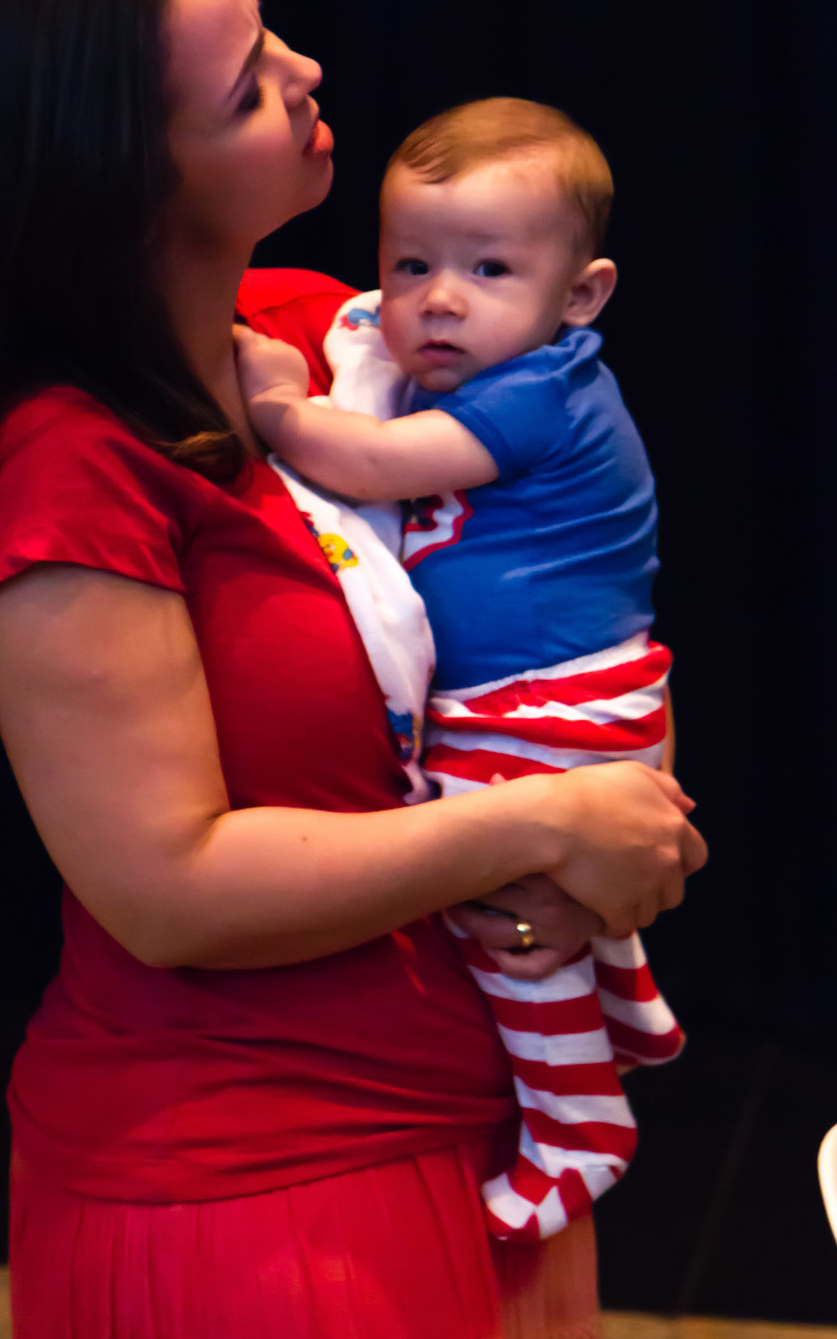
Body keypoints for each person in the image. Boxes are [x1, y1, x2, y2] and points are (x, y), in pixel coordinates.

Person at [0, 0, 705, 1339]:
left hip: (474, 1130)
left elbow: (565, 589)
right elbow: (169, 885)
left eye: (275, 33)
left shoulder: (344, 333)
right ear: (124, 183)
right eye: (249, 83)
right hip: (266, 1191)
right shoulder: (69, 486)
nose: (311, 72)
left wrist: (606, 822)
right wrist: (544, 822)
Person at [237, 97, 684, 1246]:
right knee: (531, 902)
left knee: (502, 924)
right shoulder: (456, 367)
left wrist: (282, 405)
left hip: (550, 701)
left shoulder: (539, 393)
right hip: (553, 697)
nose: (437, 299)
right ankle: (623, 1013)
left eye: (489, 269)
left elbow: (377, 464)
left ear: (579, 296)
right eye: (411, 263)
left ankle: (583, 1124)